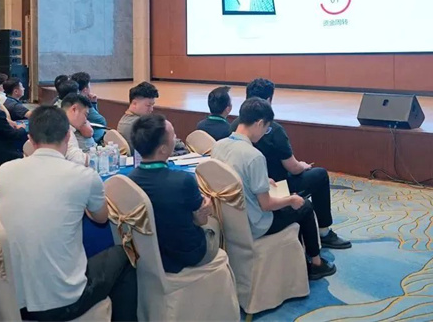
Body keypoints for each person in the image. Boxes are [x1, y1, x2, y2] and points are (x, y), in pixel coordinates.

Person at [0, 106, 137, 321]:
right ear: (67, 136)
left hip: (11, 300)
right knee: (124, 254)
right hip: (63, 302)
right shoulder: (84, 176)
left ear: (30, 139)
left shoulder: (5, 171)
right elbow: (101, 218)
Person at [214, 97, 337, 280]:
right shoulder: (254, 155)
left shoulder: (218, 146)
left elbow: (234, 175)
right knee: (304, 206)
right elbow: (266, 205)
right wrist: (291, 200)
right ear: (259, 123)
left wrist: (263, 180)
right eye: (266, 128)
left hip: (228, 219)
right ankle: (316, 263)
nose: (265, 133)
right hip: (254, 223)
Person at [231, 78, 351, 250]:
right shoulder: (274, 129)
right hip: (275, 187)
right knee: (320, 175)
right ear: (269, 100)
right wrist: (303, 165)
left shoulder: (235, 127)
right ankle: (323, 232)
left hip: (246, 189)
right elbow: (293, 168)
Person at [129, 114, 218, 273]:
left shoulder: (130, 181)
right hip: (186, 254)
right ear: (163, 149)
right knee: (215, 225)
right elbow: (201, 220)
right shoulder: (183, 181)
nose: (176, 138)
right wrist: (207, 207)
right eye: (173, 135)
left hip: (147, 255)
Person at [117, 81, 159, 154]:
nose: (151, 109)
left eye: (152, 105)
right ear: (134, 103)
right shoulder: (140, 125)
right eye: (148, 105)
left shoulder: (123, 120)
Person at [71, 72, 107, 143]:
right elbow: (102, 122)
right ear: (85, 89)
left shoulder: (70, 99)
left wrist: (93, 103)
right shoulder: (82, 102)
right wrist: (91, 104)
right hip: (93, 139)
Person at [61, 93, 95, 166]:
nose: (85, 120)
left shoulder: (56, 121)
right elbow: (77, 159)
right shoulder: (63, 129)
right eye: (85, 114)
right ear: (74, 109)